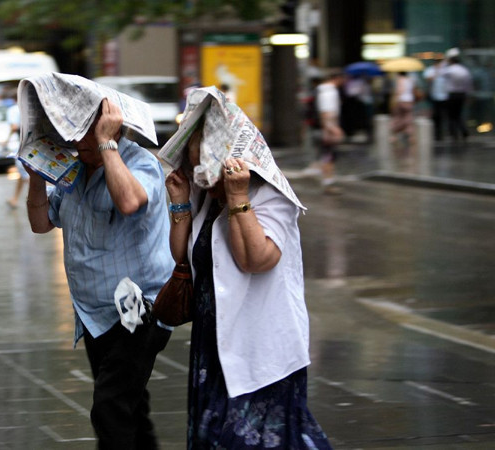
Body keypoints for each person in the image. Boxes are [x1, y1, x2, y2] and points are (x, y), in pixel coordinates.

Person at [165, 118, 332, 449]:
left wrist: (237, 197)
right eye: (195, 167)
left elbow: (255, 260)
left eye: (206, 168)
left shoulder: (270, 195)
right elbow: (182, 256)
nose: (201, 177)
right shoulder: (208, 197)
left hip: (260, 349)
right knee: (211, 437)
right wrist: (181, 202)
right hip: (213, 345)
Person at [24, 97, 174, 448]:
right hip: (95, 314)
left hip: (139, 309)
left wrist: (107, 145)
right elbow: (41, 223)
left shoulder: (140, 163)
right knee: (131, 409)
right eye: (74, 133)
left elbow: (130, 202)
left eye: (86, 133)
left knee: (110, 408)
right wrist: (36, 178)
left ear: (112, 128)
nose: (77, 142)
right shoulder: (75, 170)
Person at [315, 70, 345, 195]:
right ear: (338, 78)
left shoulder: (323, 90)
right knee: (328, 156)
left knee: (328, 156)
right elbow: (326, 113)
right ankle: (328, 183)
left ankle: (328, 182)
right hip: (328, 130)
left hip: (327, 128)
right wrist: (333, 129)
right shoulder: (329, 92)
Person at [443, 48, 473, 142]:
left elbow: (441, 74)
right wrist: (468, 95)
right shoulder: (464, 70)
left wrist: (445, 62)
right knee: (458, 114)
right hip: (461, 94)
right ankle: (463, 132)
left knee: (452, 115)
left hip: (452, 94)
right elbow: (468, 84)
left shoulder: (449, 70)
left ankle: (454, 134)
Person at [2, 89, 26, 209]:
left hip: (23, 145)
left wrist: (6, 140)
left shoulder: (13, 110)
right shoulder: (30, 107)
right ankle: (15, 198)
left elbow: (14, 127)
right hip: (36, 143)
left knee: (26, 174)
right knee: (23, 174)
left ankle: (45, 197)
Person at [389, 72, 416, 159]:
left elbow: (399, 90)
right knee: (408, 118)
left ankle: (394, 135)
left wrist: (394, 98)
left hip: (401, 100)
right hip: (409, 100)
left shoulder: (400, 80)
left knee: (398, 118)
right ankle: (410, 136)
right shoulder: (410, 80)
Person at [424, 54, 449, 141]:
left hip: (444, 96)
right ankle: (436, 133)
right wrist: (436, 72)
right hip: (434, 96)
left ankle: (442, 132)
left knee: (443, 115)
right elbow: (428, 79)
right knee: (436, 115)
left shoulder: (445, 70)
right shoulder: (430, 70)